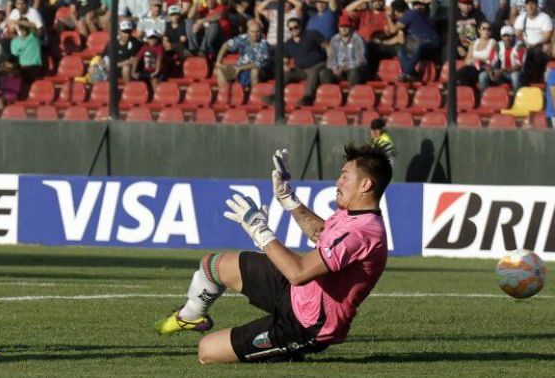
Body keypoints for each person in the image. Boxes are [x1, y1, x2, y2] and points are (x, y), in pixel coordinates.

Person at [154, 145, 392, 364]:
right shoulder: (353, 216)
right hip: (296, 292)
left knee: (207, 352)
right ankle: (191, 317)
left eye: (345, 175)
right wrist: (288, 199)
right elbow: (322, 234)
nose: (338, 182)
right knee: (214, 265)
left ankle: (287, 350)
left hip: (308, 324)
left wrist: (260, 231)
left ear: (365, 185)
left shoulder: (362, 231)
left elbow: (298, 273)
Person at [214, 19, 269, 88]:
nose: (255, 34)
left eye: (257, 32)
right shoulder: (243, 38)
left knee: (254, 71)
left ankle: (253, 95)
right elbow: (226, 45)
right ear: (248, 31)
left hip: (256, 69)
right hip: (240, 67)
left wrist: (240, 68)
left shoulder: (264, 44)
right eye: (252, 32)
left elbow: (258, 63)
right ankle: (224, 93)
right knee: (220, 70)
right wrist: (218, 62)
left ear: (261, 32)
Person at [322, 14, 368, 88]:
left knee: (354, 73)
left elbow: (361, 61)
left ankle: (354, 96)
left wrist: (345, 68)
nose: (343, 28)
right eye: (341, 26)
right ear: (338, 27)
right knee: (324, 73)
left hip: (353, 69)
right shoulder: (334, 39)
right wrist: (335, 69)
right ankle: (332, 96)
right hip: (338, 70)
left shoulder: (357, 39)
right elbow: (331, 60)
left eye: (346, 26)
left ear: (351, 27)